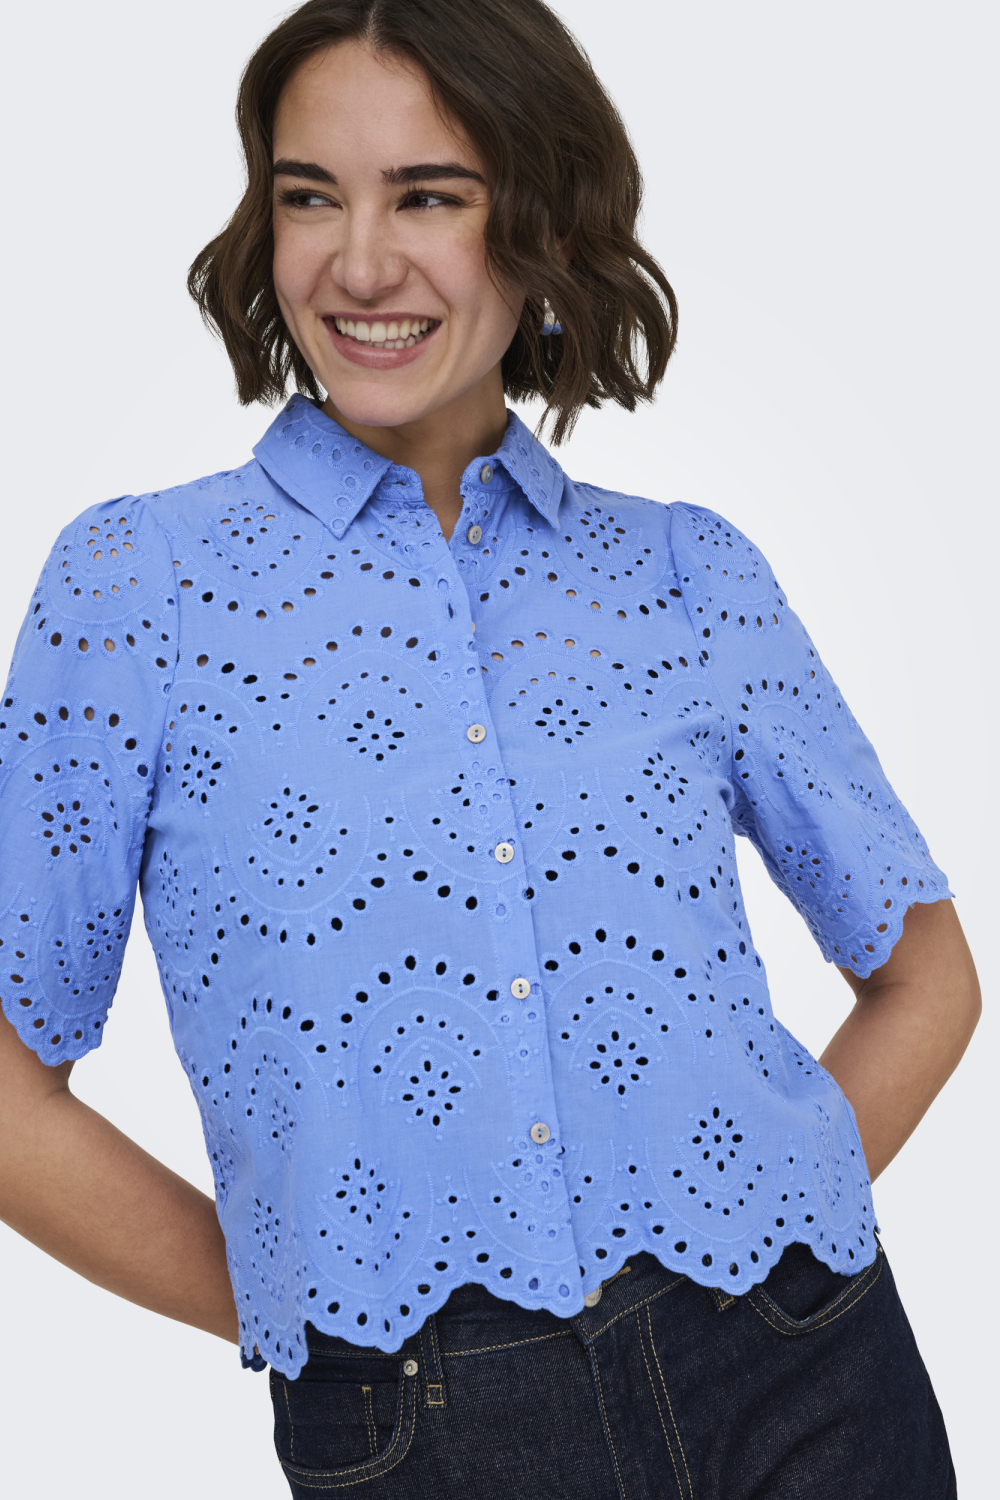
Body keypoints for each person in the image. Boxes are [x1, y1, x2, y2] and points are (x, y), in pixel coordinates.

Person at [0, 0, 980, 1494]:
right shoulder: (138, 587)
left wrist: (760, 1196)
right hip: (423, 1424)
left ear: (541, 224)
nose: (359, 265)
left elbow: (926, 975)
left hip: (808, 1373)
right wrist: (302, 1305)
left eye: (429, 197)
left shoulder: (686, 572)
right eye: (309, 196)